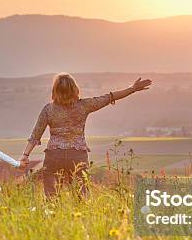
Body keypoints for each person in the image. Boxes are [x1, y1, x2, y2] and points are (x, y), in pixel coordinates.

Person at [20, 73, 152, 196]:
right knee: (82, 194)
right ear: (75, 89)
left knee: (51, 195)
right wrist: (132, 88)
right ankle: (82, 218)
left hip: (54, 155)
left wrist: (25, 156)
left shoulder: (48, 109)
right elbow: (109, 97)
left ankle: (52, 215)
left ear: (55, 91)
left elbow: (35, 135)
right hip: (77, 155)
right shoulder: (84, 105)